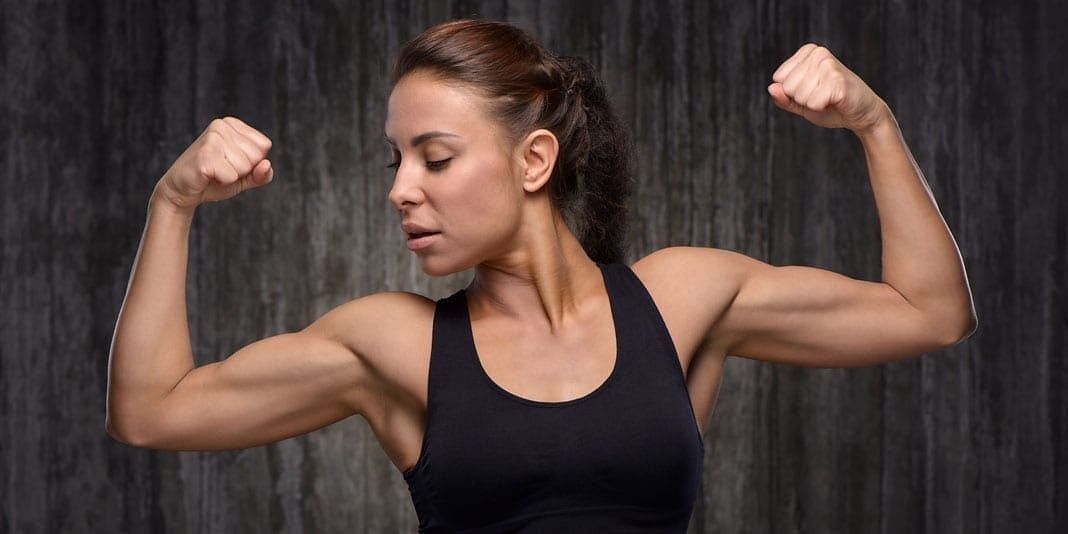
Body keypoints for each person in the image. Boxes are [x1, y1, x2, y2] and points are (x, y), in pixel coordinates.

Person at [106, 18, 977, 533]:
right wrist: (171, 205)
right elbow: (153, 412)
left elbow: (932, 313)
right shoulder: (393, 345)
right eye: (395, 159)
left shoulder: (679, 301)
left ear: (533, 160)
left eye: (435, 157)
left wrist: (875, 123)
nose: (400, 189)